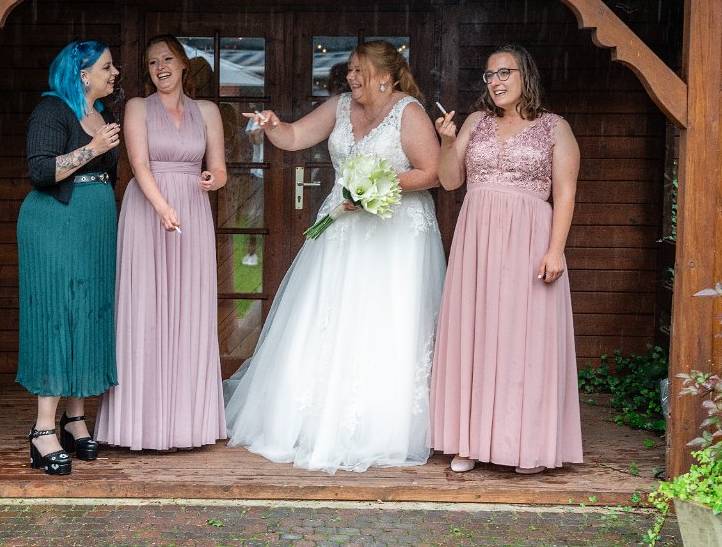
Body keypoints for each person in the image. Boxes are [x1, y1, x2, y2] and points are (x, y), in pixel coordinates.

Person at [225, 40, 446, 474]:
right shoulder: (340, 107)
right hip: (342, 227)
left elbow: (432, 172)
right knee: (329, 314)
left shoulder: (409, 112)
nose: (351, 77)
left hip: (395, 235)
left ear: (386, 76)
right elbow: (294, 137)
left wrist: (376, 188)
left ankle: (381, 426)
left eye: (359, 70)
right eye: (350, 70)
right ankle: (313, 419)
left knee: (383, 318)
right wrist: (273, 125)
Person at [430, 44, 583, 475]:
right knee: (476, 332)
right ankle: (468, 440)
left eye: (504, 73)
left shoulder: (555, 128)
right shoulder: (476, 122)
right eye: (489, 75)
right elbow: (449, 180)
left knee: (523, 338)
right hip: (478, 240)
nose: (495, 81)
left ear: (525, 75)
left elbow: (565, 193)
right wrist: (446, 142)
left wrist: (555, 250)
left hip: (530, 240)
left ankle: (524, 445)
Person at [95, 35, 228, 451]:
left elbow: (220, 169)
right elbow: (139, 165)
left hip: (192, 211)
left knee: (190, 309)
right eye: (152, 63)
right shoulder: (137, 107)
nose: (160, 68)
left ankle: (188, 425)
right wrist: (162, 206)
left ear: (183, 63)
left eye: (167, 59)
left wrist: (212, 179)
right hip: (148, 210)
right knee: (146, 309)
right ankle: (140, 425)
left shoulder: (208, 111)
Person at [16, 40, 122, 476]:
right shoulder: (52, 110)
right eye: (107, 67)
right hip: (54, 224)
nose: (114, 73)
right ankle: (43, 430)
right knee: (57, 314)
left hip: (94, 226)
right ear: (83, 74)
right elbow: (41, 171)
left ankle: (75, 418)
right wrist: (93, 148)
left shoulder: (104, 113)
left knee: (89, 312)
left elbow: (109, 174)